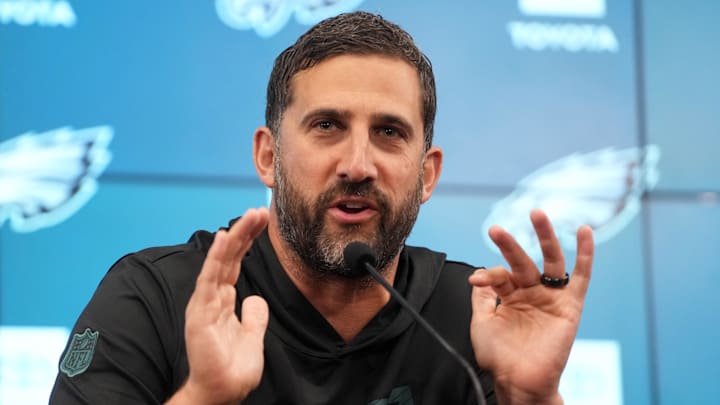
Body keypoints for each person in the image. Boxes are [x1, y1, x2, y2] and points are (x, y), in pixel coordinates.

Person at [50, 11, 594, 405]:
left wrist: (532, 396)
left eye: (388, 132)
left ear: (426, 174)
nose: (358, 164)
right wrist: (204, 397)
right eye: (327, 126)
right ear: (268, 156)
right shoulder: (156, 297)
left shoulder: (476, 319)